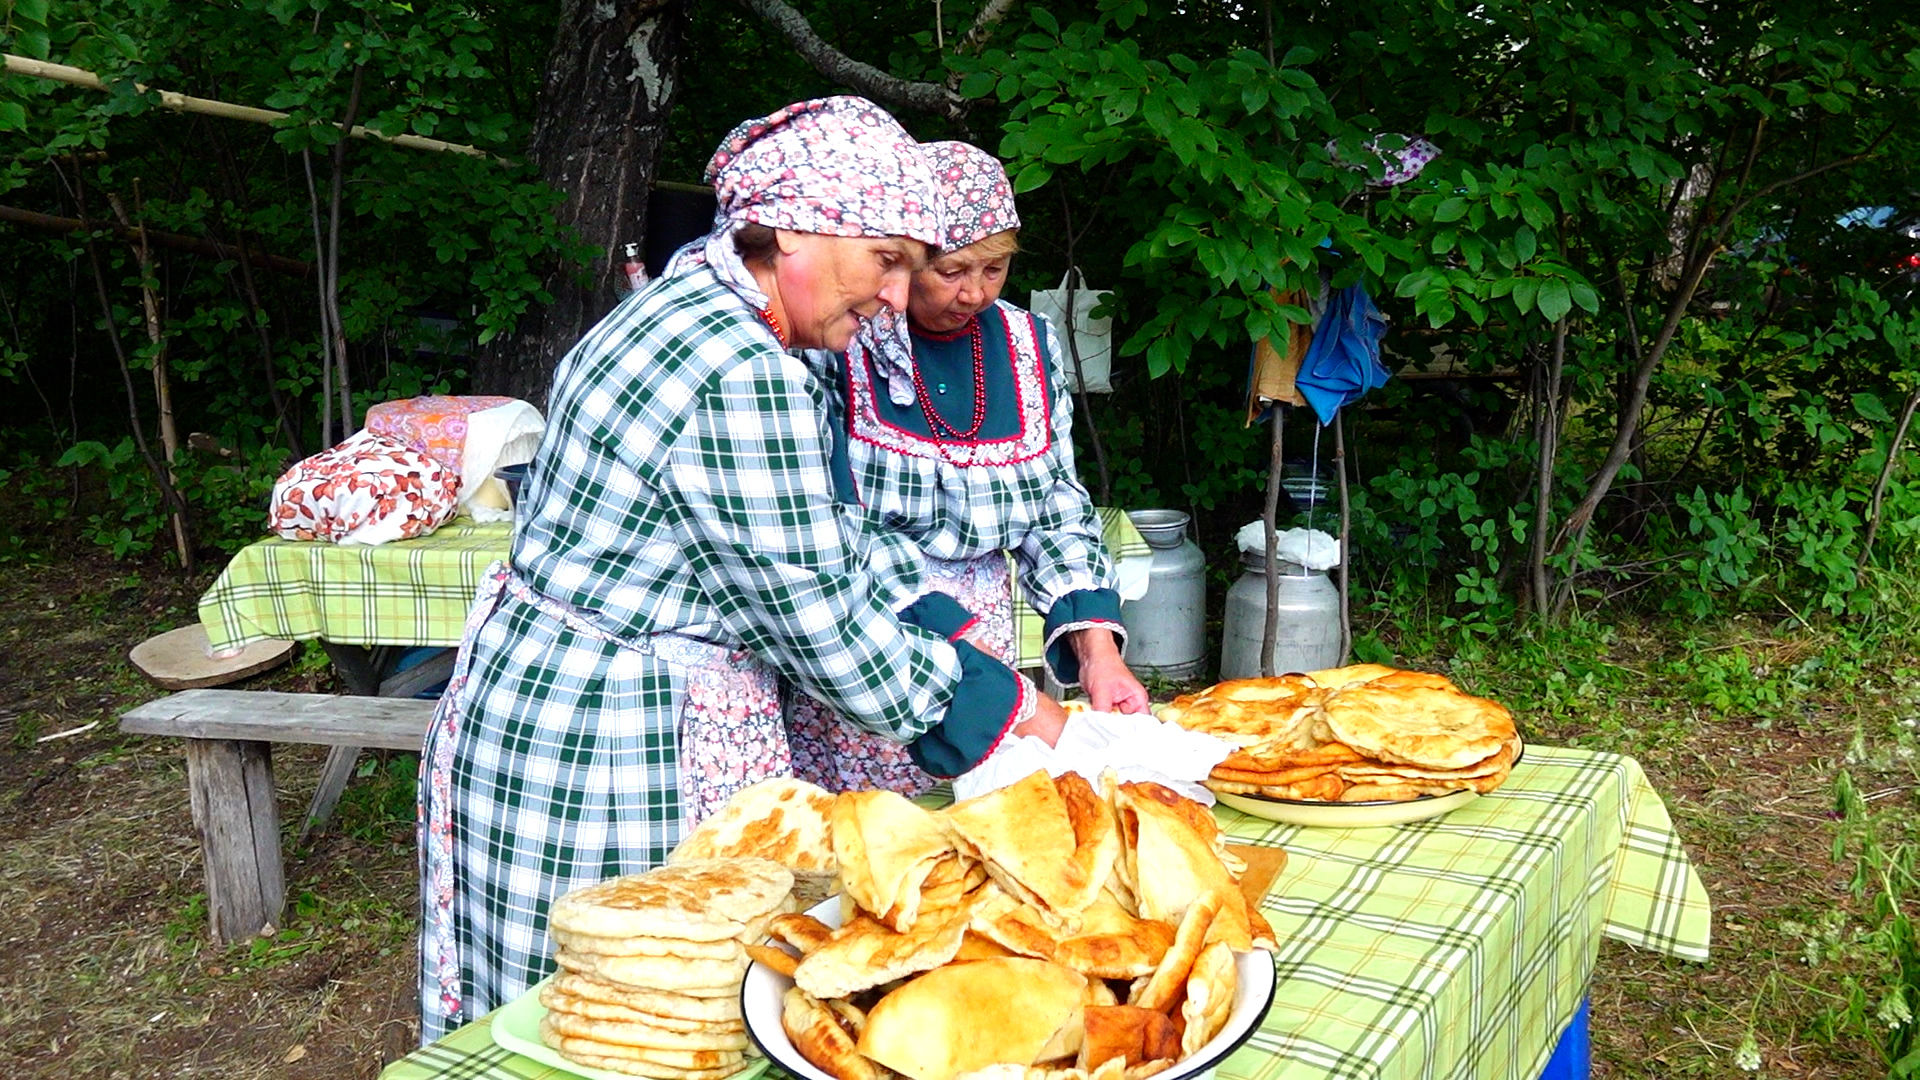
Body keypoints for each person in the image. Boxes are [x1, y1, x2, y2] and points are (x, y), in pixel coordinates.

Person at [415, 99, 1069, 1042]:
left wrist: (962, 645)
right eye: (887, 259)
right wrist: (1013, 714)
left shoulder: (697, 305)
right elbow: (820, 620)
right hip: (616, 738)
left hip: (553, 694)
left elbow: (823, 543)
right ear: (793, 229)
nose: (897, 297)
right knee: (635, 1014)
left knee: (594, 1013)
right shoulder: (739, 371)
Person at [787, 140, 1148, 797]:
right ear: (901, 258)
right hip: (872, 639)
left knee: (990, 834)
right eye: (952, 270)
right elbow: (827, 526)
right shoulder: (841, 340)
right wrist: (949, 648)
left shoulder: (1027, 344)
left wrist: (1100, 653)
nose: (974, 294)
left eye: (995, 269)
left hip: (990, 642)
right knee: (877, 854)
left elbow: (1058, 512)